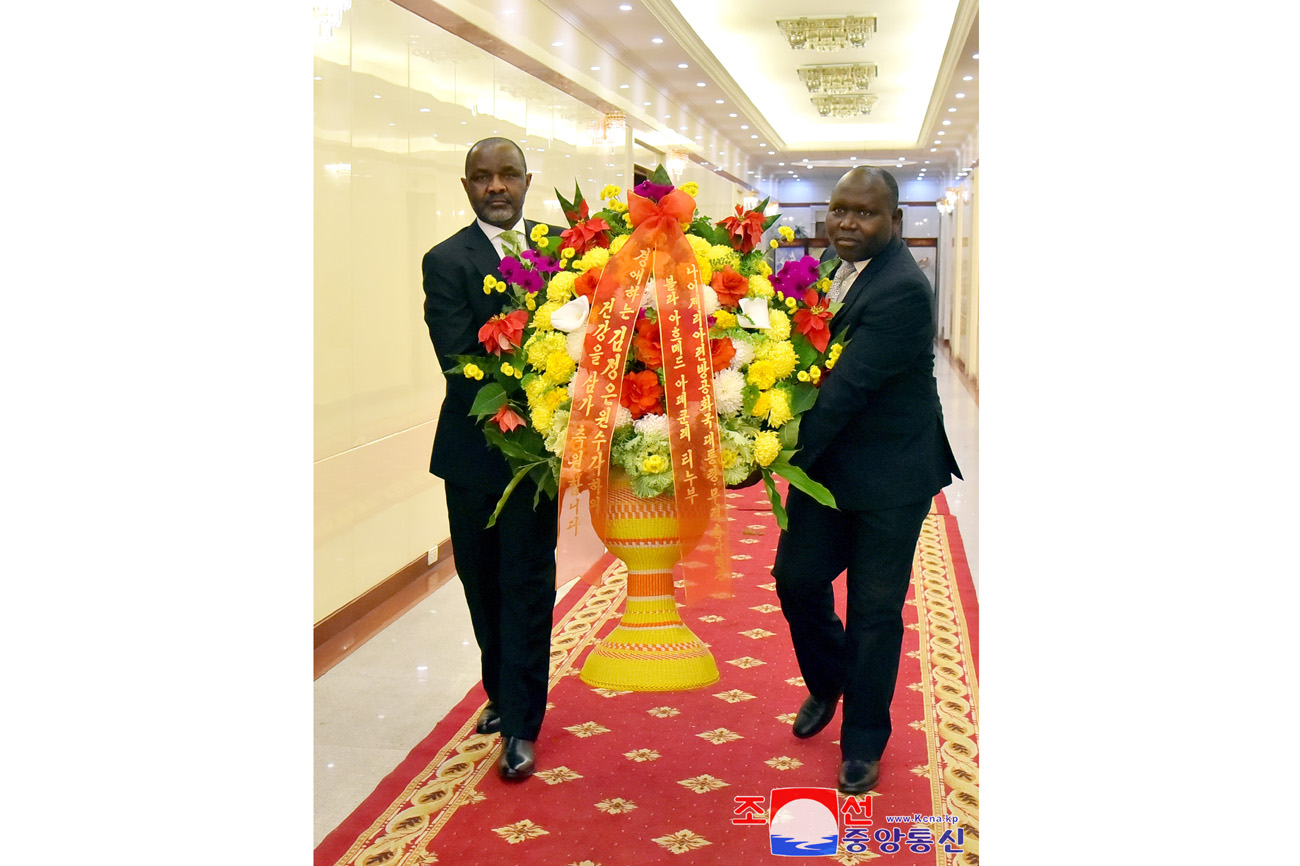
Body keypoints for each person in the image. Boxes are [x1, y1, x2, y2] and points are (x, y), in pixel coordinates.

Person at [772, 166, 962, 795]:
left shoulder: (903, 289)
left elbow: (843, 393)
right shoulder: (829, 267)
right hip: (829, 469)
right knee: (796, 579)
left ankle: (863, 741)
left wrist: (764, 456)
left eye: (865, 214)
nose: (848, 224)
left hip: (890, 473)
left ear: (895, 221)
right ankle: (829, 679)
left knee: (875, 613)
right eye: (840, 211)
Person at [421, 138, 560, 781]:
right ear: (466, 185)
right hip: (475, 452)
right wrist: (537, 383)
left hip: (539, 457)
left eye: (508, 175)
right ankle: (502, 696)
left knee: (527, 584)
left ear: (528, 181)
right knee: (482, 584)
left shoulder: (563, 250)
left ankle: (524, 721)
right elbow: (459, 360)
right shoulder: (446, 261)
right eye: (484, 177)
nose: (496, 186)